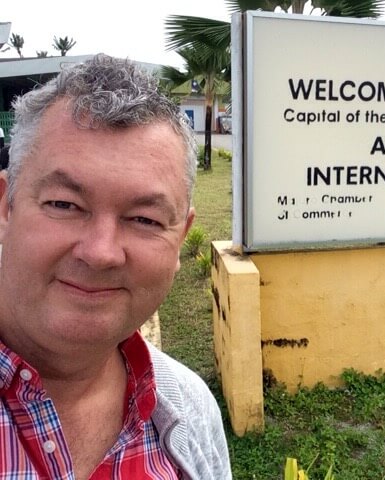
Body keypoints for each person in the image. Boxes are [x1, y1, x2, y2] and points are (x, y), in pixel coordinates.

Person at [0, 54, 232, 479]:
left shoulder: (190, 411)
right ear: (5, 207)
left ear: (180, 238)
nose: (101, 252)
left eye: (144, 219)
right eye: (64, 204)